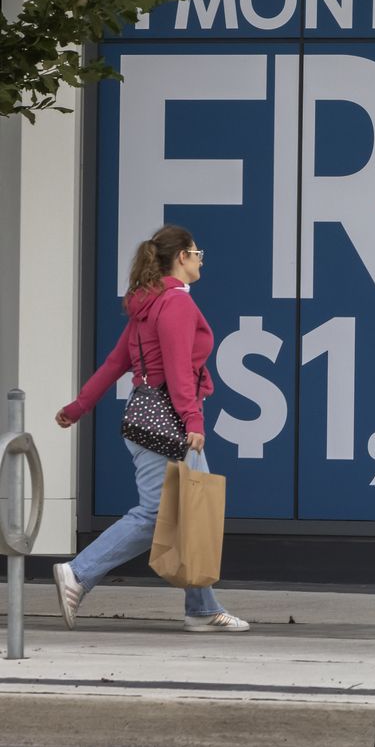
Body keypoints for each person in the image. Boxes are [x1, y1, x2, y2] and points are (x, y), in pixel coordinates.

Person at [53, 224, 248, 633]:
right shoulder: (175, 304)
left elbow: (114, 364)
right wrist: (194, 419)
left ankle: (201, 607)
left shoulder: (147, 304)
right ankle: (79, 572)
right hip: (172, 425)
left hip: (145, 421)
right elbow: (179, 370)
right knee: (157, 514)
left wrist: (79, 406)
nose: (200, 260)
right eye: (197, 252)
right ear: (181, 257)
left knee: (192, 515)